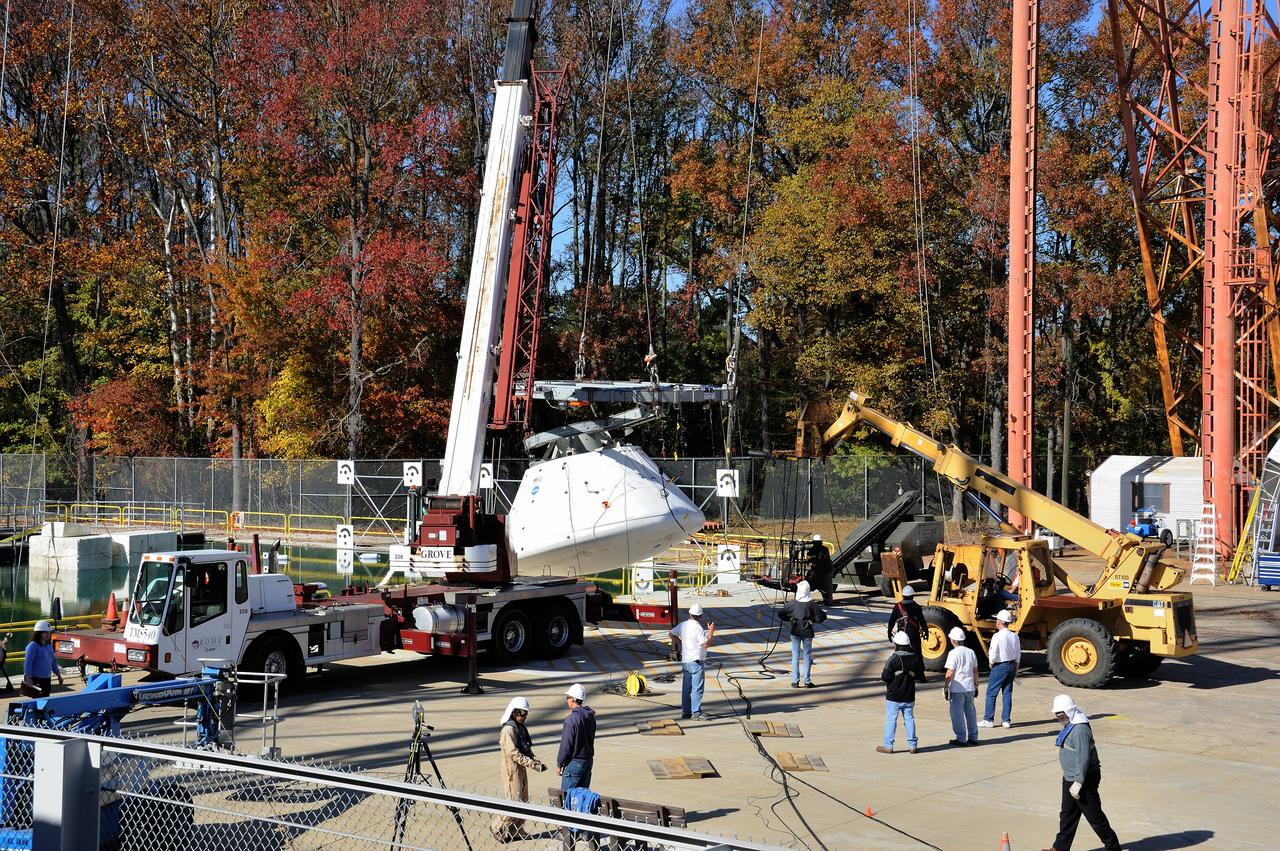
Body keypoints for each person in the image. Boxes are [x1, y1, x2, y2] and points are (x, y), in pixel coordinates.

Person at [1044, 694, 1121, 851]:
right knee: (1067, 815)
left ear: (1068, 711)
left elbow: (1083, 757)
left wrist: (1078, 782)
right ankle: (1059, 848)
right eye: (1056, 714)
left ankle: (1113, 847)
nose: (1057, 717)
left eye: (1059, 714)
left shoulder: (1079, 730)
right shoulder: (1070, 723)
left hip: (1083, 779)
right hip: (1070, 777)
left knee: (1095, 818)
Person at [491, 696, 546, 842]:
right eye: (522, 714)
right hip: (511, 768)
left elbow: (526, 748)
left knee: (524, 800)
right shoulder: (508, 730)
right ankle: (497, 826)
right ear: (514, 713)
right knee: (514, 801)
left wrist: (534, 760)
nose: (524, 717)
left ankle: (517, 830)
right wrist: (532, 764)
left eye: (526, 714)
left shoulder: (520, 728)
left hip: (521, 767)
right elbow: (513, 753)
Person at [878, 630, 925, 754]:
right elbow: (920, 675)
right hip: (909, 695)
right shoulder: (915, 658)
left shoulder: (893, 659)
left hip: (893, 696)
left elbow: (885, 677)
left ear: (896, 644)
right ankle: (913, 745)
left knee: (891, 720)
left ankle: (888, 746)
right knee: (909, 719)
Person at [670, 604, 715, 720]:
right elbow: (706, 643)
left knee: (686, 688)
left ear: (690, 614)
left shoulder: (683, 625)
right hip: (696, 662)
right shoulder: (698, 628)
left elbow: (671, 634)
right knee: (697, 689)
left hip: (686, 661)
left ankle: (686, 712)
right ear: (700, 616)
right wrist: (711, 631)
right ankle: (696, 713)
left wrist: (681, 643)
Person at [779, 580, 826, 688]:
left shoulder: (793, 604)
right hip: (807, 632)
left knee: (795, 656)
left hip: (795, 631)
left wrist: (790, 618)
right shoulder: (811, 605)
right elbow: (822, 616)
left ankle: (795, 681)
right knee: (807, 656)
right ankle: (807, 681)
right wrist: (813, 621)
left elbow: (781, 614)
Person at [979, 610, 1021, 728]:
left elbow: (993, 654)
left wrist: (992, 664)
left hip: (1000, 666)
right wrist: (1015, 670)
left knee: (991, 693)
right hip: (1012, 665)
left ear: (1000, 622)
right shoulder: (1014, 636)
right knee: (1007, 693)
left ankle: (988, 719)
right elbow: (1018, 655)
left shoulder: (997, 636)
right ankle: (1006, 720)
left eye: (997, 620)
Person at [556, 683, 596, 791]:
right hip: (588, 761)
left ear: (573, 699)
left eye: (568, 698)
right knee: (582, 798)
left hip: (574, 762)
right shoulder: (590, 717)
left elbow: (566, 745)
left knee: (567, 798)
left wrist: (559, 763)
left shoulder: (571, 720)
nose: (567, 700)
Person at [943, 626, 979, 746]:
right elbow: (975, 671)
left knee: (957, 714)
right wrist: (976, 685)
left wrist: (946, 687)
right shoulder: (971, 652)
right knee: (971, 713)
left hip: (957, 689)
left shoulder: (953, 653)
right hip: (970, 687)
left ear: (953, 641)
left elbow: (950, 673)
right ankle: (973, 737)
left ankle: (961, 738)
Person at [23, 620, 62, 698]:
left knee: (45, 700)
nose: (48, 635)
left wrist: (58, 675)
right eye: (46, 632)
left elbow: (53, 662)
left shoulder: (49, 645)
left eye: (49, 632)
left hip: (46, 679)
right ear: (39, 633)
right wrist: (28, 678)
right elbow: (28, 663)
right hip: (36, 679)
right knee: (37, 702)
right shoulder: (33, 646)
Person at [886, 585, 926, 656]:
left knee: (900, 655)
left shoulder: (897, 607)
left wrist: (889, 631)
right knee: (917, 656)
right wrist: (926, 631)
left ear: (903, 595)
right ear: (912, 596)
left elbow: (892, 620)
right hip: (914, 636)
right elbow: (922, 621)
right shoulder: (917, 607)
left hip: (901, 636)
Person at [806, 535, 835, 605]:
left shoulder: (824, 549)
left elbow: (823, 559)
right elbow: (809, 558)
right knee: (813, 583)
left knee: (827, 586)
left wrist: (814, 559)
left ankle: (828, 601)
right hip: (818, 570)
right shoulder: (812, 550)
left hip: (826, 570)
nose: (816, 544)